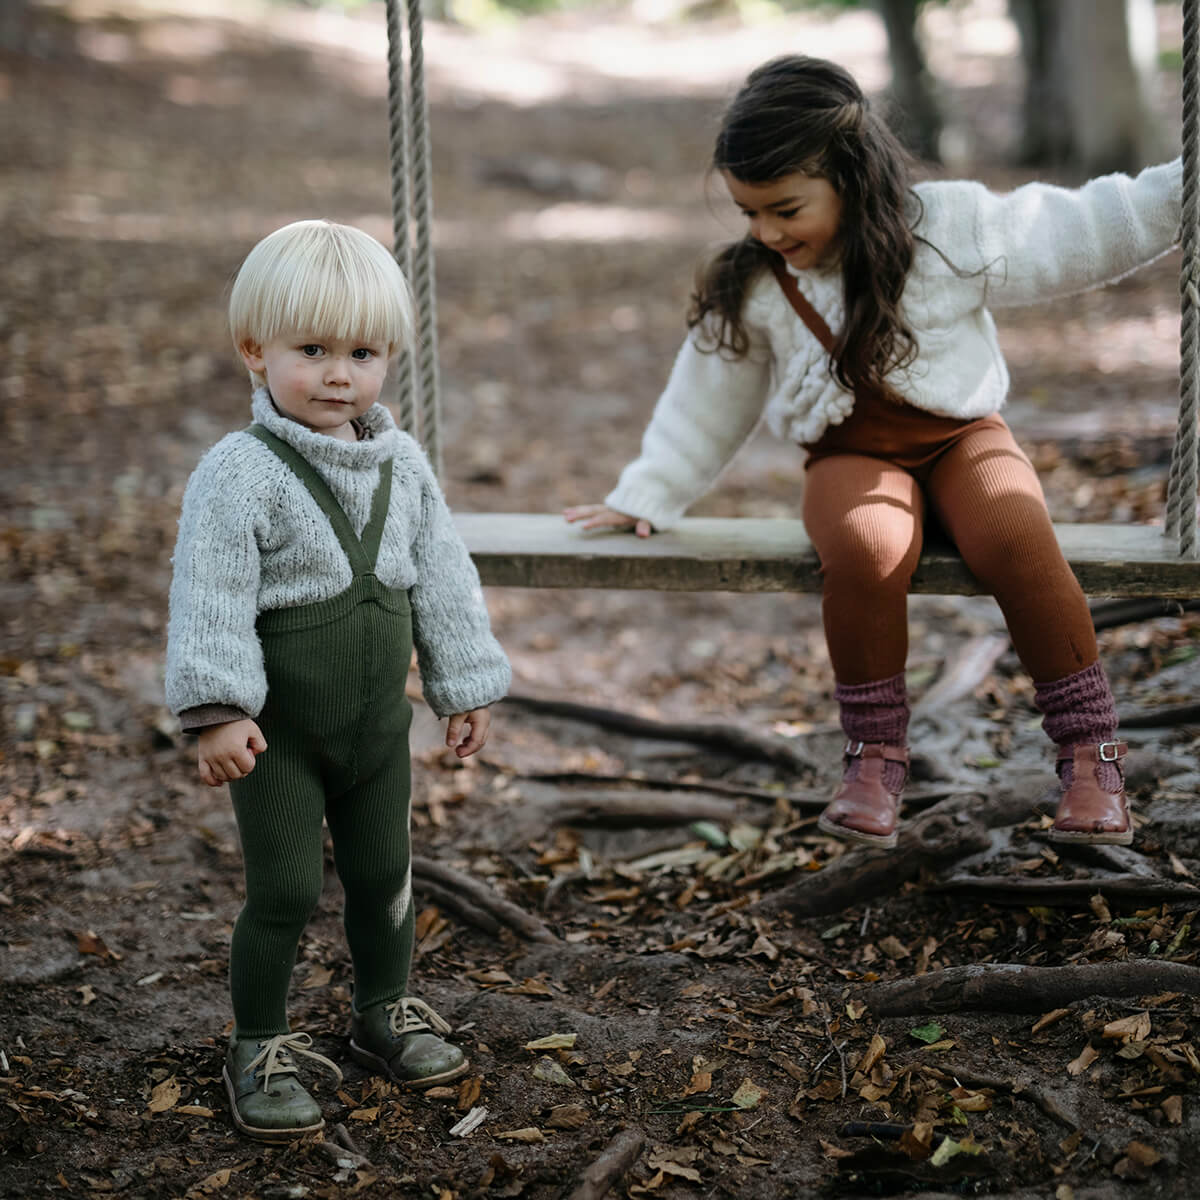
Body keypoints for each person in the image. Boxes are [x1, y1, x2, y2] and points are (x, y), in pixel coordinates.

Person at [566, 55, 1181, 852]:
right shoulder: (757, 284)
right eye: (749, 213)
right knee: (864, 545)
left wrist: (1178, 188)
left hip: (964, 438)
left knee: (1017, 535)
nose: (766, 233)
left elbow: (1080, 229)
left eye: (785, 209)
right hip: (850, 454)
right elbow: (705, 399)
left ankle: (1089, 756)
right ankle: (874, 758)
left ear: (852, 177)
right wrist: (649, 489)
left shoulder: (950, 230)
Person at [166, 219, 511, 1141]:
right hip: (280, 735)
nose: (337, 375)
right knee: (282, 891)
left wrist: (463, 683)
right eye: (311, 350)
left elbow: (442, 574)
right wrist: (218, 709)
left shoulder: (401, 464)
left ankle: (382, 1009)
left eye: (361, 352)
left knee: (385, 874)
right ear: (254, 350)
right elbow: (212, 593)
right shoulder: (242, 473)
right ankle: (259, 1042)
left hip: (374, 729)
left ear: (388, 357)